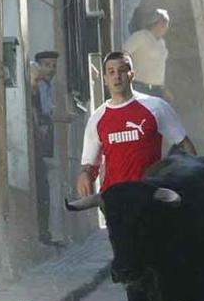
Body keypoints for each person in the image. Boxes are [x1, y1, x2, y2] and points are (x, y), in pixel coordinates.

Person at [77, 51, 196, 199]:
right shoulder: (97, 118)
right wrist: (85, 174)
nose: (117, 76)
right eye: (111, 72)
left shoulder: (156, 107)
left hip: (150, 196)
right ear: (105, 79)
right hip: (115, 199)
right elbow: (90, 164)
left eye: (122, 70)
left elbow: (184, 145)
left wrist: (191, 181)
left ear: (132, 74)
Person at [31, 51, 61, 245]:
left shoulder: (47, 86)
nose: (51, 69)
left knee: (46, 185)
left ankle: (46, 231)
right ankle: (43, 233)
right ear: (38, 66)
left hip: (44, 144)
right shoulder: (37, 87)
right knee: (42, 186)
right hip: (38, 144)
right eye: (47, 65)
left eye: (53, 65)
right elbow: (41, 114)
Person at [123, 8, 172, 101]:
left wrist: (165, 89)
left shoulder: (162, 43)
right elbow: (124, 54)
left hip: (157, 90)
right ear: (156, 23)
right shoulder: (140, 37)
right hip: (140, 87)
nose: (166, 26)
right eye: (164, 22)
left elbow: (161, 66)